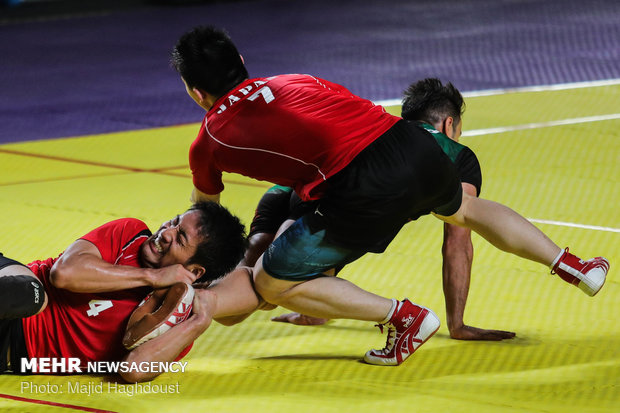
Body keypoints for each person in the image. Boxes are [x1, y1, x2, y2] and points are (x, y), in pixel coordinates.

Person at [172, 26, 610, 366]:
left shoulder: (209, 139)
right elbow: (349, 111)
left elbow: (204, 220)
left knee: (270, 280)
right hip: (410, 142)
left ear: (195, 92)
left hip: (359, 186)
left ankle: (403, 317)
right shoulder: (293, 79)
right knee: (465, 210)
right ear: (242, 61)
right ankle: (574, 265)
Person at [267, 78, 516, 340]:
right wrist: (457, 324)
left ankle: (307, 304)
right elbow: (458, 237)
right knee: (266, 287)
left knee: (270, 278)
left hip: (301, 194)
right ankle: (401, 315)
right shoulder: (457, 156)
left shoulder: (379, 135)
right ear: (449, 124)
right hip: (352, 217)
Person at [0, 202, 252, 382]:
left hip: (10, 351)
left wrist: (199, 322)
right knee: (31, 296)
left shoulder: (175, 319)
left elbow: (133, 370)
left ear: (195, 272)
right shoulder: (130, 234)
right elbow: (63, 274)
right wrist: (150, 276)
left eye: (180, 238)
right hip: (17, 286)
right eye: (174, 222)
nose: (165, 233)